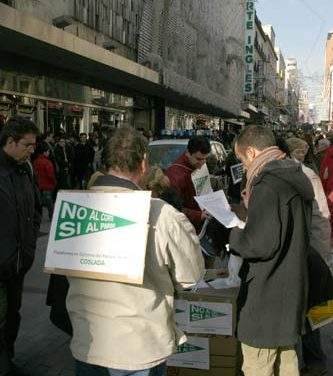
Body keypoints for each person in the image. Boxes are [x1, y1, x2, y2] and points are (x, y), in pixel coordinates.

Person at [67, 126, 205, 376]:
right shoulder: (161, 214)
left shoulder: (74, 208)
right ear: (143, 163)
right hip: (139, 349)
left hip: (88, 342)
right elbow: (190, 277)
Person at [229, 126, 314, 376]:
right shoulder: (294, 173)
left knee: (258, 364)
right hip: (290, 291)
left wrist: (234, 233)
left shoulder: (268, 184)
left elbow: (260, 244)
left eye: (242, 159)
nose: (243, 167)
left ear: (253, 152)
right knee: (287, 361)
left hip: (267, 296)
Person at [0, 116, 42, 376]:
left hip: (19, 263)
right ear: (10, 141)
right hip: (1, 264)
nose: (32, 150)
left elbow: (36, 209)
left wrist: (29, 243)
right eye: (28, 144)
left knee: (12, 317)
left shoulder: (25, 169)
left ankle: (8, 361)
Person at [166, 135, 211, 232]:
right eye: (199, 159)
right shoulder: (175, 175)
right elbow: (174, 209)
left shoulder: (193, 166)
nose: (202, 163)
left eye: (205, 159)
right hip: (183, 229)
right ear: (187, 153)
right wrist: (199, 215)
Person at [33, 142, 57, 220]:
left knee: (39, 204)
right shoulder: (47, 162)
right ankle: (52, 218)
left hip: (38, 185)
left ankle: (38, 218)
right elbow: (51, 175)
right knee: (50, 205)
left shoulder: (36, 161)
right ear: (45, 152)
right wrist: (54, 182)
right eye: (48, 152)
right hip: (47, 185)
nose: (49, 153)